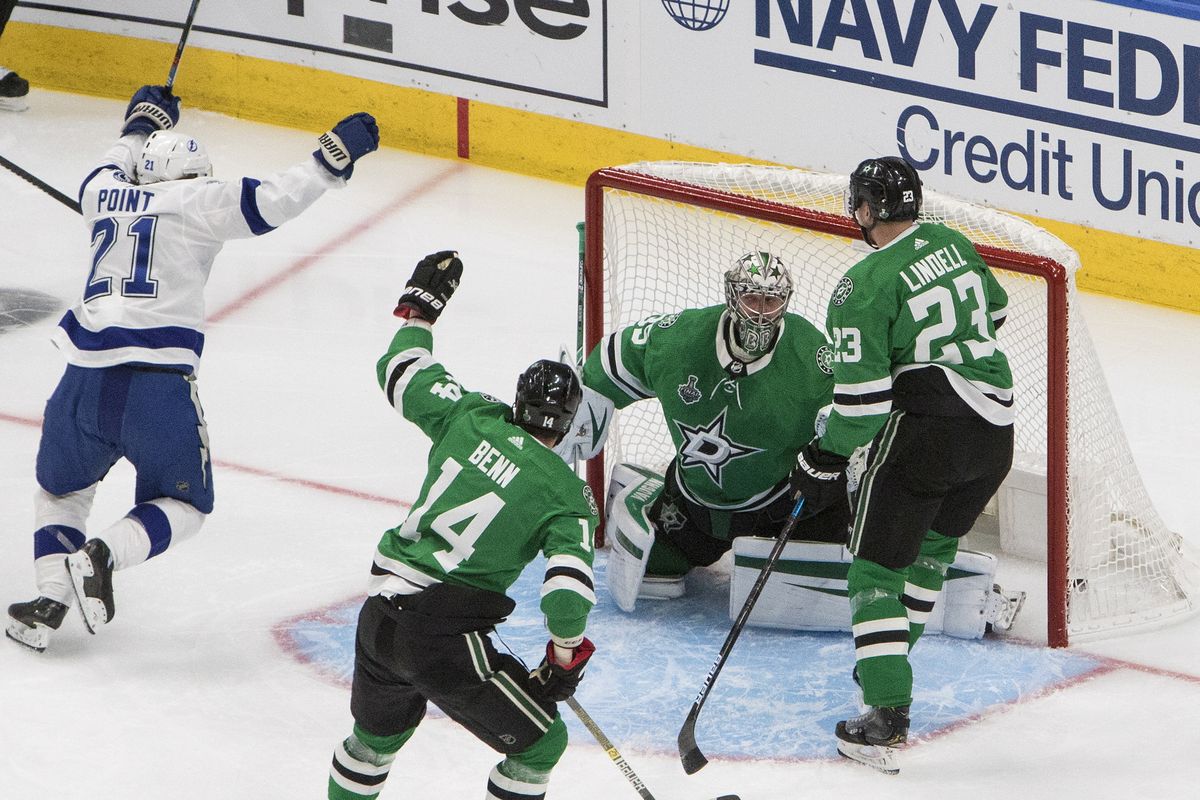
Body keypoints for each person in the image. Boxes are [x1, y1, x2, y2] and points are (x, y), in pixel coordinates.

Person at [4, 84, 380, 652]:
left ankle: (47, 602)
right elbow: (272, 200)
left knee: (61, 494)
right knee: (186, 504)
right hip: (154, 386)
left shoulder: (102, 194)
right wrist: (332, 157)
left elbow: (109, 163)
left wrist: (140, 125)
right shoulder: (200, 202)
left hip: (80, 381)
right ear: (195, 176)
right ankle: (104, 554)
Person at [327, 251, 599, 800]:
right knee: (541, 745)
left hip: (379, 616)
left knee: (373, 742)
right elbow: (566, 600)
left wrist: (420, 314)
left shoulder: (471, 414)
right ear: (569, 424)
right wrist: (564, 658)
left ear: (517, 400)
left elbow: (401, 373)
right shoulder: (568, 496)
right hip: (441, 638)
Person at [790, 155, 1016, 773]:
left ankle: (885, 716)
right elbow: (992, 314)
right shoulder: (951, 240)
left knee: (873, 574)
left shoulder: (861, 286)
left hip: (927, 434)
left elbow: (862, 407)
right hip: (995, 435)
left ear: (866, 209)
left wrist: (823, 456)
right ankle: (883, 665)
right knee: (932, 550)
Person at [578, 251, 849, 610]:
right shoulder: (678, 339)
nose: (760, 312)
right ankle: (653, 505)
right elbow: (608, 364)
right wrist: (578, 414)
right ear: (732, 295)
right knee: (652, 575)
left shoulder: (813, 356)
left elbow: (860, 414)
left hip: (778, 509)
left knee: (807, 592)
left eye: (771, 301)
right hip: (691, 508)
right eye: (751, 298)